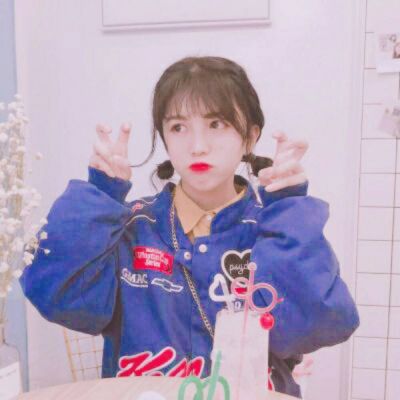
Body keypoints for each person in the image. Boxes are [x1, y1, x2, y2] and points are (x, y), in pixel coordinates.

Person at [20, 56, 359, 398]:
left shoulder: (274, 228)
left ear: (250, 137)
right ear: (165, 139)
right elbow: (56, 295)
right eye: (178, 127)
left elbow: (316, 326)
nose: (197, 146)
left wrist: (288, 207)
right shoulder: (132, 226)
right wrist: (100, 194)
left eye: (217, 124)